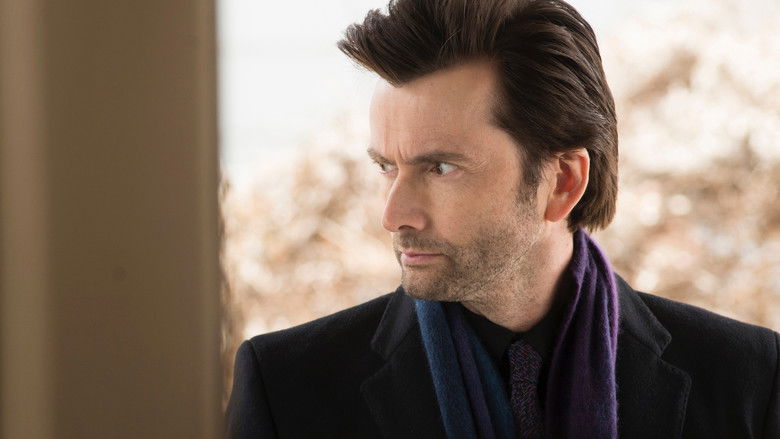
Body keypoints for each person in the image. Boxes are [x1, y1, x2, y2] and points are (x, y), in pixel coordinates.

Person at [226, 0, 780, 437]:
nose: (392, 215)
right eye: (386, 166)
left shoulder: (748, 380)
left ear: (562, 182)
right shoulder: (288, 388)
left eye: (441, 168)